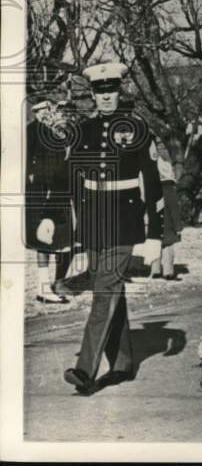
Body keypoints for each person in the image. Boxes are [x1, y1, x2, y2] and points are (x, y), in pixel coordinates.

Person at [63, 62, 163, 395]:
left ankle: (85, 370)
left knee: (104, 291)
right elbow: (75, 181)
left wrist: (155, 234)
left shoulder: (137, 128)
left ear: (120, 92)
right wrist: (77, 229)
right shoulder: (84, 129)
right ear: (92, 95)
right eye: (100, 92)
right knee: (109, 290)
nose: (106, 98)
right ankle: (121, 363)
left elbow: (152, 180)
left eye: (112, 91)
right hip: (93, 222)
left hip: (124, 222)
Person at [25, 98, 74, 304]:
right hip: (43, 191)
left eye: (50, 110)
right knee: (45, 240)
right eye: (42, 110)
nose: (48, 113)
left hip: (61, 190)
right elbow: (27, 161)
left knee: (65, 238)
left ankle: (58, 282)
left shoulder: (61, 131)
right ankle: (44, 288)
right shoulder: (33, 131)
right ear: (36, 112)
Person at [149, 138, 184, 281]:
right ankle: (168, 271)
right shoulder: (169, 189)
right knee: (168, 247)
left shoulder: (151, 189)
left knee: (155, 245)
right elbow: (174, 208)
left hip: (154, 220)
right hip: (168, 222)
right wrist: (178, 225)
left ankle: (155, 269)